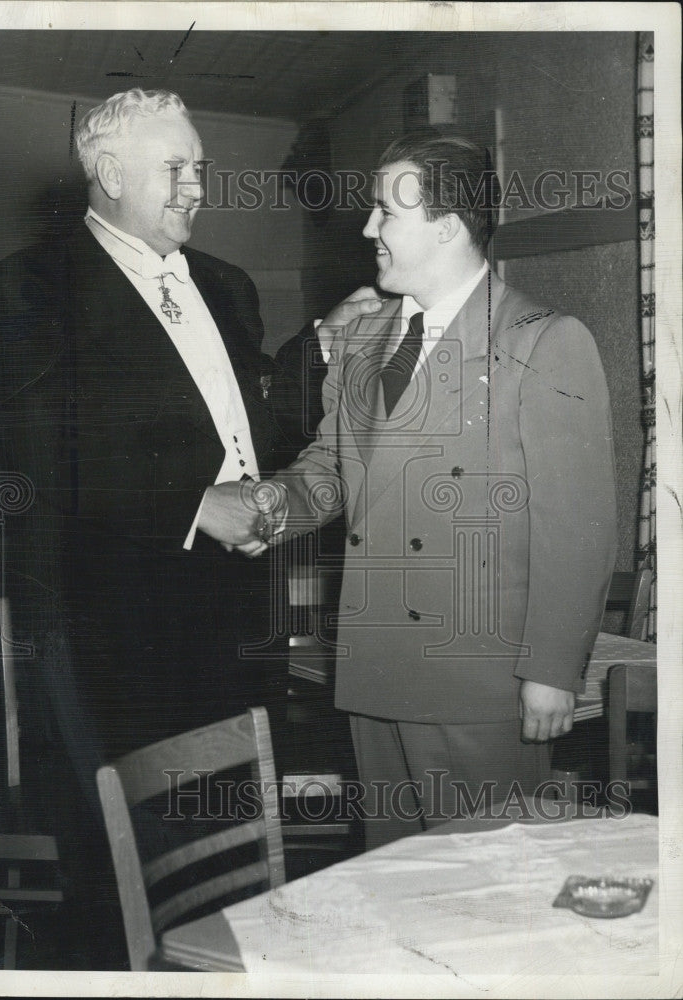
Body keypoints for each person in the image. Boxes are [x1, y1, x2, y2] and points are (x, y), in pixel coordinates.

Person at [0, 88, 380, 958]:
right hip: (116, 631)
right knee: (130, 860)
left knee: (238, 838)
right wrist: (195, 505)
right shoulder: (30, 285)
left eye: (201, 165)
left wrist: (321, 345)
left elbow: (249, 416)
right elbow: (32, 450)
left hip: (237, 614)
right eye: (177, 168)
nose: (198, 185)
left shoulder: (227, 285)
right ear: (110, 172)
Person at [203, 136, 618, 849]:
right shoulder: (365, 341)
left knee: (484, 891)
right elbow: (332, 468)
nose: (367, 230)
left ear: (447, 224)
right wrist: (266, 508)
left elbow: (577, 527)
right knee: (393, 878)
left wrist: (551, 672)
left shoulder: (543, 341)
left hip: (482, 678)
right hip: (375, 666)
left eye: (384, 212)